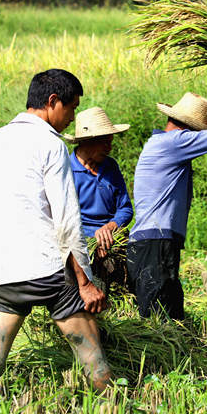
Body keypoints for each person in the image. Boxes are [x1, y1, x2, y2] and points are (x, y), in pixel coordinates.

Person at [0, 69, 111, 391]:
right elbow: (66, 220)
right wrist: (85, 283)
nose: (71, 117)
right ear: (52, 101)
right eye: (72, 108)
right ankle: (118, 412)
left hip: (3, 271)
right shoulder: (49, 143)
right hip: (48, 271)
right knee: (93, 359)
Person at [127, 66, 207, 320]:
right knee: (158, 318)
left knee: (169, 311)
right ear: (187, 128)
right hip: (155, 244)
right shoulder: (174, 143)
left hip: (154, 242)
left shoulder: (166, 141)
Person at [65, 107, 133, 292]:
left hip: (113, 238)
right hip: (82, 244)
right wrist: (94, 240)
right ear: (87, 141)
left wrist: (110, 226)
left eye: (110, 142)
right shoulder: (67, 170)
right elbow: (65, 218)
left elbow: (125, 208)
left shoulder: (110, 166)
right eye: (104, 142)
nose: (109, 148)